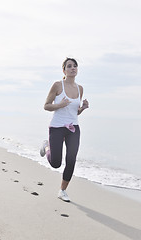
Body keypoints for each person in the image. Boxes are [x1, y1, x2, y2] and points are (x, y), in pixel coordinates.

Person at [40, 57, 89, 202]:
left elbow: (74, 111)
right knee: (56, 163)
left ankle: (62, 191)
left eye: (75, 66)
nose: (73, 68)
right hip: (57, 127)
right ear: (64, 70)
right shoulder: (57, 85)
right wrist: (59, 105)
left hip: (73, 128)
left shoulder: (80, 88)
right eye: (69, 66)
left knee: (71, 160)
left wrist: (83, 108)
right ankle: (46, 145)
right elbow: (46, 106)